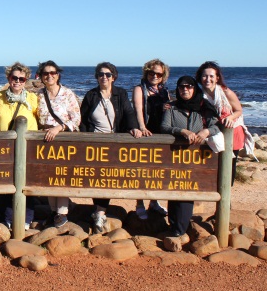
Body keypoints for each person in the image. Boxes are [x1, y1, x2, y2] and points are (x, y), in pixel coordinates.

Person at [80, 62, 142, 233]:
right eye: (100, 74)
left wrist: (134, 127)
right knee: (98, 176)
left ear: (114, 77)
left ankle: (102, 210)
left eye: (108, 74)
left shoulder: (120, 94)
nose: (104, 77)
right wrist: (85, 140)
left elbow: (128, 112)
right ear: (97, 77)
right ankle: (100, 212)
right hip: (96, 142)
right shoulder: (91, 95)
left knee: (109, 176)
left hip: (115, 142)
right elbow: (84, 120)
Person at [160, 76, 220, 236]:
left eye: (188, 86)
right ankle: (174, 228)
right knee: (173, 190)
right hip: (175, 156)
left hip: (197, 159)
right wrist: (181, 131)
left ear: (195, 89)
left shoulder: (204, 107)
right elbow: (164, 127)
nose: (185, 89)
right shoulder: (172, 108)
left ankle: (180, 229)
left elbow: (216, 126)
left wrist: (205, 131)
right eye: (181, 87)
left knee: (187, 192)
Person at [0, 62, 40, 229]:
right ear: (8, 78)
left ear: (25, 81)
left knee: (26, 182)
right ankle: (7, 217)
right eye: (14, 78)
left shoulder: (33, 99)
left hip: (28, 148)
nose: (17, 81)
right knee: (5, 181)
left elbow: (41, 119)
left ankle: (26, 218)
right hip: (5, 147)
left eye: (21, 78)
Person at [36, 60, 81, 228]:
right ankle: (53, 211)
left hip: (62, 138)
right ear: (40, 76)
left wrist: (58, 128)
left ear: (58, 74)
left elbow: (76, 119)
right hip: (43, 139)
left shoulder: (67, 94)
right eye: (45, 73)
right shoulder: (39, 94)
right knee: (48, 175)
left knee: (61, 175)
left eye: (52, 73)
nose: (49, 76)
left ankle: (62, 212)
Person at [132, 59, 171, 219]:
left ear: (163, 76)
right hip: (146, 133)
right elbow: (138, 109)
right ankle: (139, 203)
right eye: (151, 73)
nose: (154, 76)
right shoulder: (140, 89)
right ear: (146, 72)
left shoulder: (164, 91)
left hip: (160, 134)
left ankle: (154, 202)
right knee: (142, 170)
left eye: (158, 74)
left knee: (157, 171)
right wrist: (142, 127)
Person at [196, 61, 246, 186]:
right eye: (205, 76)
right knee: (213, 165)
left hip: (231, 132)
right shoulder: (199, 95)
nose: (208, 79)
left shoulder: (226, 92)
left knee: (229, 166)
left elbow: (239, 110)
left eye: (211, 76)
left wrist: (231, 116)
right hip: (213, 133)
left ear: (217, 78)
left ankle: (226, 199)